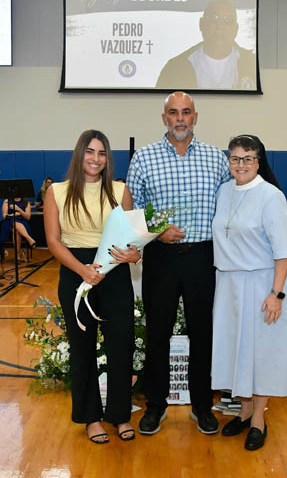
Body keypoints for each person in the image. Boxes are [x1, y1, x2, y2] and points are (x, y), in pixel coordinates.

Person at [126, 91, 232, 435]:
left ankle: (202, 405)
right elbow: (133, 210)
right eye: (174, 113)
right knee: (157, 334)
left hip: (204, 257)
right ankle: (155, 406)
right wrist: (157, 231)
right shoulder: (144, 158)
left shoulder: (217, 159)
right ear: (164, 118)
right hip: (162, 259)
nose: (180, 118)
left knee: (203, 333)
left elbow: (231, 207)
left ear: (195, 117)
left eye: (186, 112)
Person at [44, 129, 141, 444]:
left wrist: (134, 253)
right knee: (83, 350)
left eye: (102, 153)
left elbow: (131, 240)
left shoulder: (120, 190)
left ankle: (119, 415)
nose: (95, 159)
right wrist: (82, 270)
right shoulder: (56, 192)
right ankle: (90, 419)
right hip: (76, 272)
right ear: (79, 154)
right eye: (90, 151)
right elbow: (53, 241)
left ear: (107, 159)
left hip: (114, 273)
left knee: (120, 346)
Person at [211, 135, 287, 451]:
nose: (241, 164)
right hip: (229, 285)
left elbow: (282, 249)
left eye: (248, 158)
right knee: (238, 349)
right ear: (229, 161)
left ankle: (259, 420)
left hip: (262, 284)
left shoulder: (270, 195)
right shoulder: (223, 192)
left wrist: (276, 294)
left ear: (259, 161)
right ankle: (244, 411)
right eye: (235, 158)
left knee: (260, 352)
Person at [156, 1, 256, 90]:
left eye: (227, 20)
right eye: (214, 19)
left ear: (236, 29)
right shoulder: (175, 68)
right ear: (201, 24)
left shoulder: (251, 64)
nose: (220, 26)